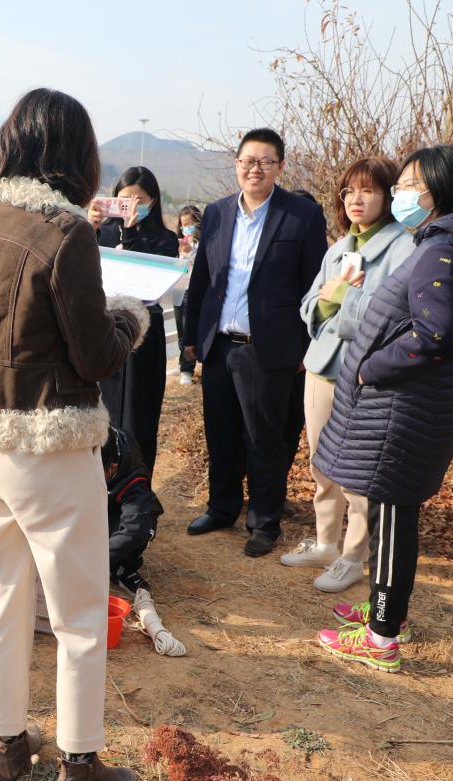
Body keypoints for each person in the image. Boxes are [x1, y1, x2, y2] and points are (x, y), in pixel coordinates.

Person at [0, 88, 146, 781]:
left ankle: (7, 743)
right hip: (48, 441)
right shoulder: (66, 234)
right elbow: (93, 356)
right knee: (80, 613)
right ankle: (80, 766)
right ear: (73, 154)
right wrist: (134, 321)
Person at [313, 145, 453, 672]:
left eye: (409, 184)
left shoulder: (442, 250)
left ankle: (381, 638)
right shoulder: (444, 243)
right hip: (410, 410)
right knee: (396, 516)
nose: (400, 194)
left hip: (404, 413)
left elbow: (432, 335)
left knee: (392, 518)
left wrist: (372, 367)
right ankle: (384, 613)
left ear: (436, 191)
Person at [181, 128, 327, 557]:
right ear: (237, 164)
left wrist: (308, 345)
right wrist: (192, 337)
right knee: (220, 431)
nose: (255, 169)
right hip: (220, 344)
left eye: (265, 161)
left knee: (264, 437)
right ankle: (221, 507)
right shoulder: (219, 213)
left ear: (280, 167)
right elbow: (202, 279)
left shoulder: (300, 215)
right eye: (247, 161)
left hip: (269, 348)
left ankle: (264, 521)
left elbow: (314, 286)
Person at [284, 158, 415, 593]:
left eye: (368, 191)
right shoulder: (340, 246)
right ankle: (325, 542)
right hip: (321, 368)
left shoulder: (402, 248)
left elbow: (393, 317)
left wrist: (340, 302)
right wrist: (329, 302)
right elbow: (310, 305)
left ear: (388, 197)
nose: (356, 200)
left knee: (359, 473)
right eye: (348, 192)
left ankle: (354, 555)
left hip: (364, 374)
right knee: (322, 462)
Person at [88, 166, 177, 479]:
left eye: (140, 200)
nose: (132, 205)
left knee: (140, 419)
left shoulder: (165, 240)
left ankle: (138, 493)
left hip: (144, 338)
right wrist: (89, 229)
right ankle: (103, 495)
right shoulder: (99, 232)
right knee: (102, 416)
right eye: (125, 199)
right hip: (104, 333)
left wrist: (131, 233)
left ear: (153, 202)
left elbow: (147, 282)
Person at [102, 427, 160, 595]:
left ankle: (122, 569)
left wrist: (96, 560)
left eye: (93, 474)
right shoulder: (82, 442)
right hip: (90, 507)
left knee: (144, 525)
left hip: (113, 513)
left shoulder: (133, 478)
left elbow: (135, 530)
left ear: (112, 468)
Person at [174, 206, 202, 385]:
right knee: (180, 329)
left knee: (188, 330)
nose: (187, 228)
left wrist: (188, 253)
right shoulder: (178, 242)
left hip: (194, 290)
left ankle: (187, 369)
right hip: (179, 289)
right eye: (184, 225)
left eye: (191, 224)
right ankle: (181, 362)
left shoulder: (205, 242)